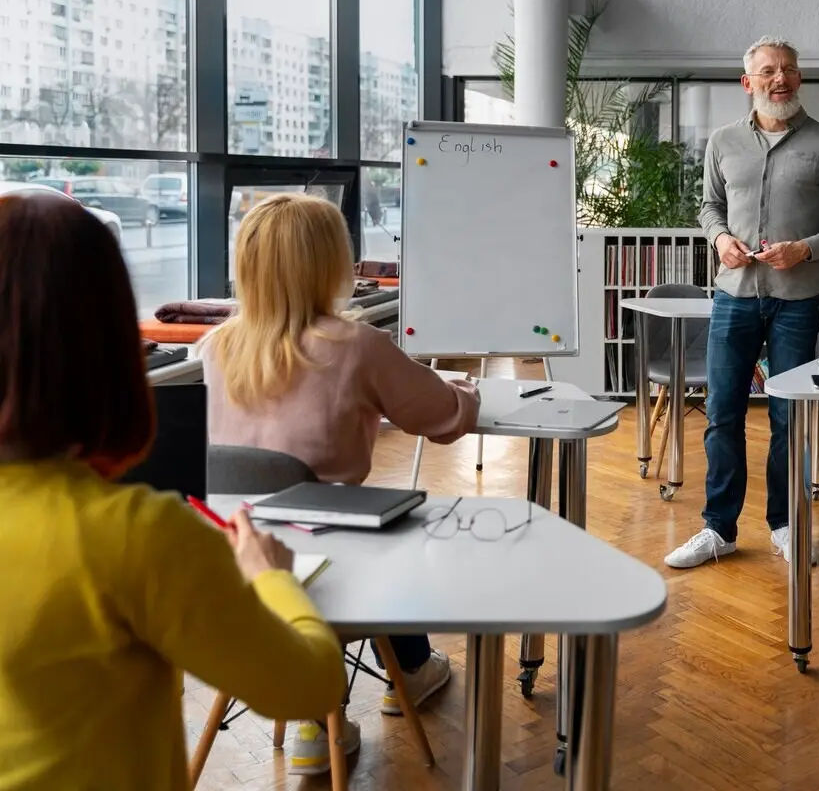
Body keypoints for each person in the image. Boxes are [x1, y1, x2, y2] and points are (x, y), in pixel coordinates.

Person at [0, 194, 345, 790]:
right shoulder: (136, 535)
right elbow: (306, 687)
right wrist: (272, 579)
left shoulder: (218, 347)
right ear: (106, 343)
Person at [202, 192, 480, 775]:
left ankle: (316, 720)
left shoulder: (214, 347)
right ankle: (393, 677)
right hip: (337, 562)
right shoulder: (355, 346)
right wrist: (468, 388)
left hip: (236, 561)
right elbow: (445, 418)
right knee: (403, 535)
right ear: (329, 263)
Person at [665, 36, 819, 569]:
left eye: (790, 69)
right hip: (732, 298)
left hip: (797, 301)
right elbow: (709, 207)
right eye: (769, 70)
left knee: (789, 417)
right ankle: (718, 528)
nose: (781, 78)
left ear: (799, 79)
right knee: (722, 413)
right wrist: (718, 239)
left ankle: (785, 524)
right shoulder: (722, 142)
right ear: (748, 82)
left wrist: (806, 247)